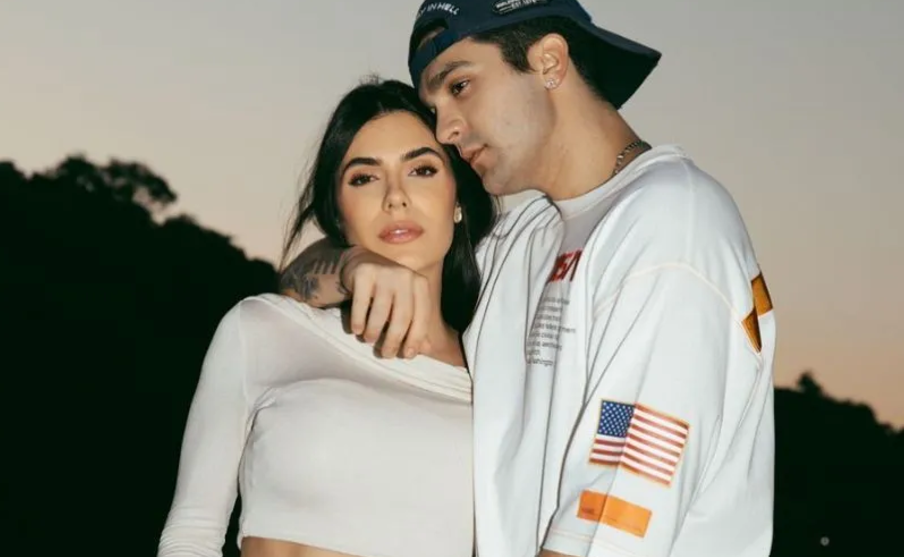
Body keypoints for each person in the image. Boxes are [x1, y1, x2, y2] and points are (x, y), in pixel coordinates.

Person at [281, 1, 777, 557]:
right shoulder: (523, 240)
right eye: (435, 106)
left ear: (549, 62)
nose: (445, 129)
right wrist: (356, 265)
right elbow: (294, 286)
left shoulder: (671, 225)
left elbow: (609, 527)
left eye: (460, 87)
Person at [157, 76, 498, 557]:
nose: (395, 196)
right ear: (338, 214)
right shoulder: (264, 330)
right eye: (364, 178)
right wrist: (350, 264)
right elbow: (191, 535)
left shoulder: (499, 382)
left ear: (458, 198)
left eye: (422, 170)